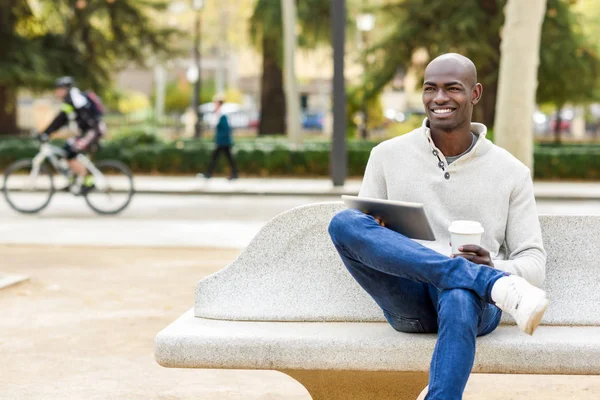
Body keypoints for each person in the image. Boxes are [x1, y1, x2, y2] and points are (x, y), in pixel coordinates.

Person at [328, 53, 549, 400]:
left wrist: (495, 265)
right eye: (431, 88)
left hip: (474, 310)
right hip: (408, 301)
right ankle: (490, 284)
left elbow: (533, 261)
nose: (440, 98)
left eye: (453, 89)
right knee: (344, 223)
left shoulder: (511, 172)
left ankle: (480, 279)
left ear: (475, 94)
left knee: (459, 292)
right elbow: (363, 236)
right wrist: (380, 233)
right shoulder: (386, 155)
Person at [40, 77, 106, 194]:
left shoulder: (74, 98)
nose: (56, 92)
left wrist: (46, 133)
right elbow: (61, 119)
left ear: (64, 89)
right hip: (86, 131)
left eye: (58, 89)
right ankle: (73, 179)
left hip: (93, 130)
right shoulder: (71, 98)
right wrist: (47, 132)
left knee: (71, 152)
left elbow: (61, 119)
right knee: (65, 150)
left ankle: (88, 181)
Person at [198, 98, 238, 180]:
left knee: (217, 158)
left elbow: (226, 129)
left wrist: (219, 139)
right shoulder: (220, 114)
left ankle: (209, 174)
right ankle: (234, 174)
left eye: (215, 104)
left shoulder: (223, 115)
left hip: (223, 142)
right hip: (223, 141)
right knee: (226, 158)